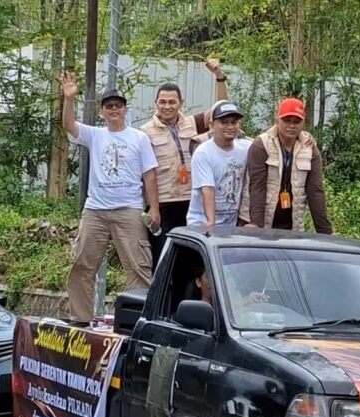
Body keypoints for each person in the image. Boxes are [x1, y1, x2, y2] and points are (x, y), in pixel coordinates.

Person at [60, 72, 160, 326]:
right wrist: (69, 98)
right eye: (109, 106)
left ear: (125, 109)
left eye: (118, 105)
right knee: (82, 264)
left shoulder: (138, 137)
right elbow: (69, 125)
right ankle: (79, 319)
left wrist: (154, 208)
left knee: (138, 267)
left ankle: (138, 321)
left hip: (129, 208)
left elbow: (149, 175)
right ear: (102, 111)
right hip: (95, 209)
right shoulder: (95, 134)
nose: (113, 110)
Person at [141, 59, 229, 264]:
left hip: (191, 202)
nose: (167, 106)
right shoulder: (145, 132)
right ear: (156, 103)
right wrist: (150, 207)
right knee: (163, 259)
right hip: (163, 203)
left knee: (190, 260)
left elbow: (222, 109)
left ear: (181, 102)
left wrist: (219, 76)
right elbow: (145, 173)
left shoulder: (192, 123)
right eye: (162, 102)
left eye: (172, 102)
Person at [243, 97, 332, 233]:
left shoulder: (310, 149)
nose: (291, 125)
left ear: (303, 123)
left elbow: (316, 191)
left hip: (291, 224)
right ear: (277, 121)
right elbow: (257, 186)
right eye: (287, 121)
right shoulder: (261, 145)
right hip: (257, 220)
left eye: (296, 121)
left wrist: (326, 232)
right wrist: (257, 227)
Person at [187, 100, 253, 228]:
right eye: (224, 122)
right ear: (212, 125)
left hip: (231, 224)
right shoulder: (203, 152)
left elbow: (267, 143)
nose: (230, 127)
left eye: (234, 122)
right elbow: (207, 189)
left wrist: (302, 137)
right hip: (202, 222)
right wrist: (211, 221)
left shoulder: (246, 148)